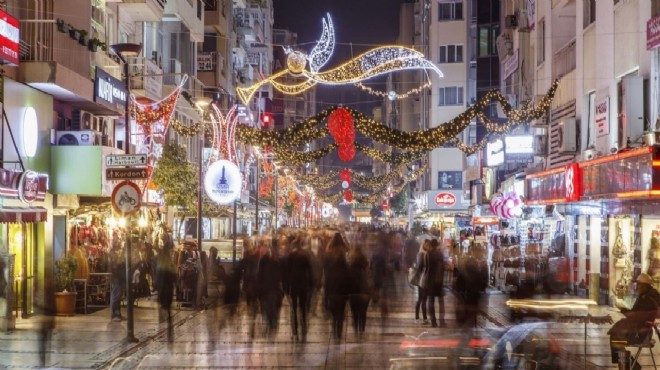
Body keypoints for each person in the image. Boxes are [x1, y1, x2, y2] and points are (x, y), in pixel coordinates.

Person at [608, 273, 660, 368]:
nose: (637, 287)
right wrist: (627, 312)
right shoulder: (648, 296)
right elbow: (638, 314)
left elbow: (638, 316)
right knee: (615, 338)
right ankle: (630, 363)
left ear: (644, 285)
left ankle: (630, 364)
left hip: (640, 333)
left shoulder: (647, 299)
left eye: (639, 284)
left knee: (615, 339)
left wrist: (625, 312)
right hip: (642, 330)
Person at [347, 243, 371, 340]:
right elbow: (369, 277)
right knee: (363, 312)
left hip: (353, 291)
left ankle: (356, 329)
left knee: (355, 312)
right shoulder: (365, 264)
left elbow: (348, 279)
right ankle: (362, 330)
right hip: (364, 291)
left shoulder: (351, 265)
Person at [155, 245, 176, 342]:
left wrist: (159, 290)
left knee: (164, 307)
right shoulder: (170, 265)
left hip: (162, 290)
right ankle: (169, 327)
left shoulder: (160, 265)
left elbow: (158, 280)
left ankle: (163, 322)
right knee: (168, 309)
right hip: (169, 290)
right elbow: (174, 278)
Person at [424, 239, 446, 328]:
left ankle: (433, 322)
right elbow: (442, 268)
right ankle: (442, 321)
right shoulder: (440, 254)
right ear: (437, 245)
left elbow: (427, 268)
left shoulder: (428, 254)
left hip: (431, 280)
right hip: (439, 281)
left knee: (431, 301)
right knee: (441, 301)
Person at [414, 240, 431, 324]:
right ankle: (423, 318)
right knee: (423, 299)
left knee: (421, 299)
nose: (429, 247)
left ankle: (418, 317)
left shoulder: (420, 253)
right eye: (428, 245)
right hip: (423, 279)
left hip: (422, 279)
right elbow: (420, 267)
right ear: (425, 245)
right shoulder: (424, 254)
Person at [109, 240, 126, 322]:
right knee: (116, 295)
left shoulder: (116, 253)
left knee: (118, 295)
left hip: (118, 276)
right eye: (116, 242)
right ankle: (115, 314)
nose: (118, 243)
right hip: (115, 276)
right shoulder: (112, 253)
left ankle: (118, 313)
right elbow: (114, 265)